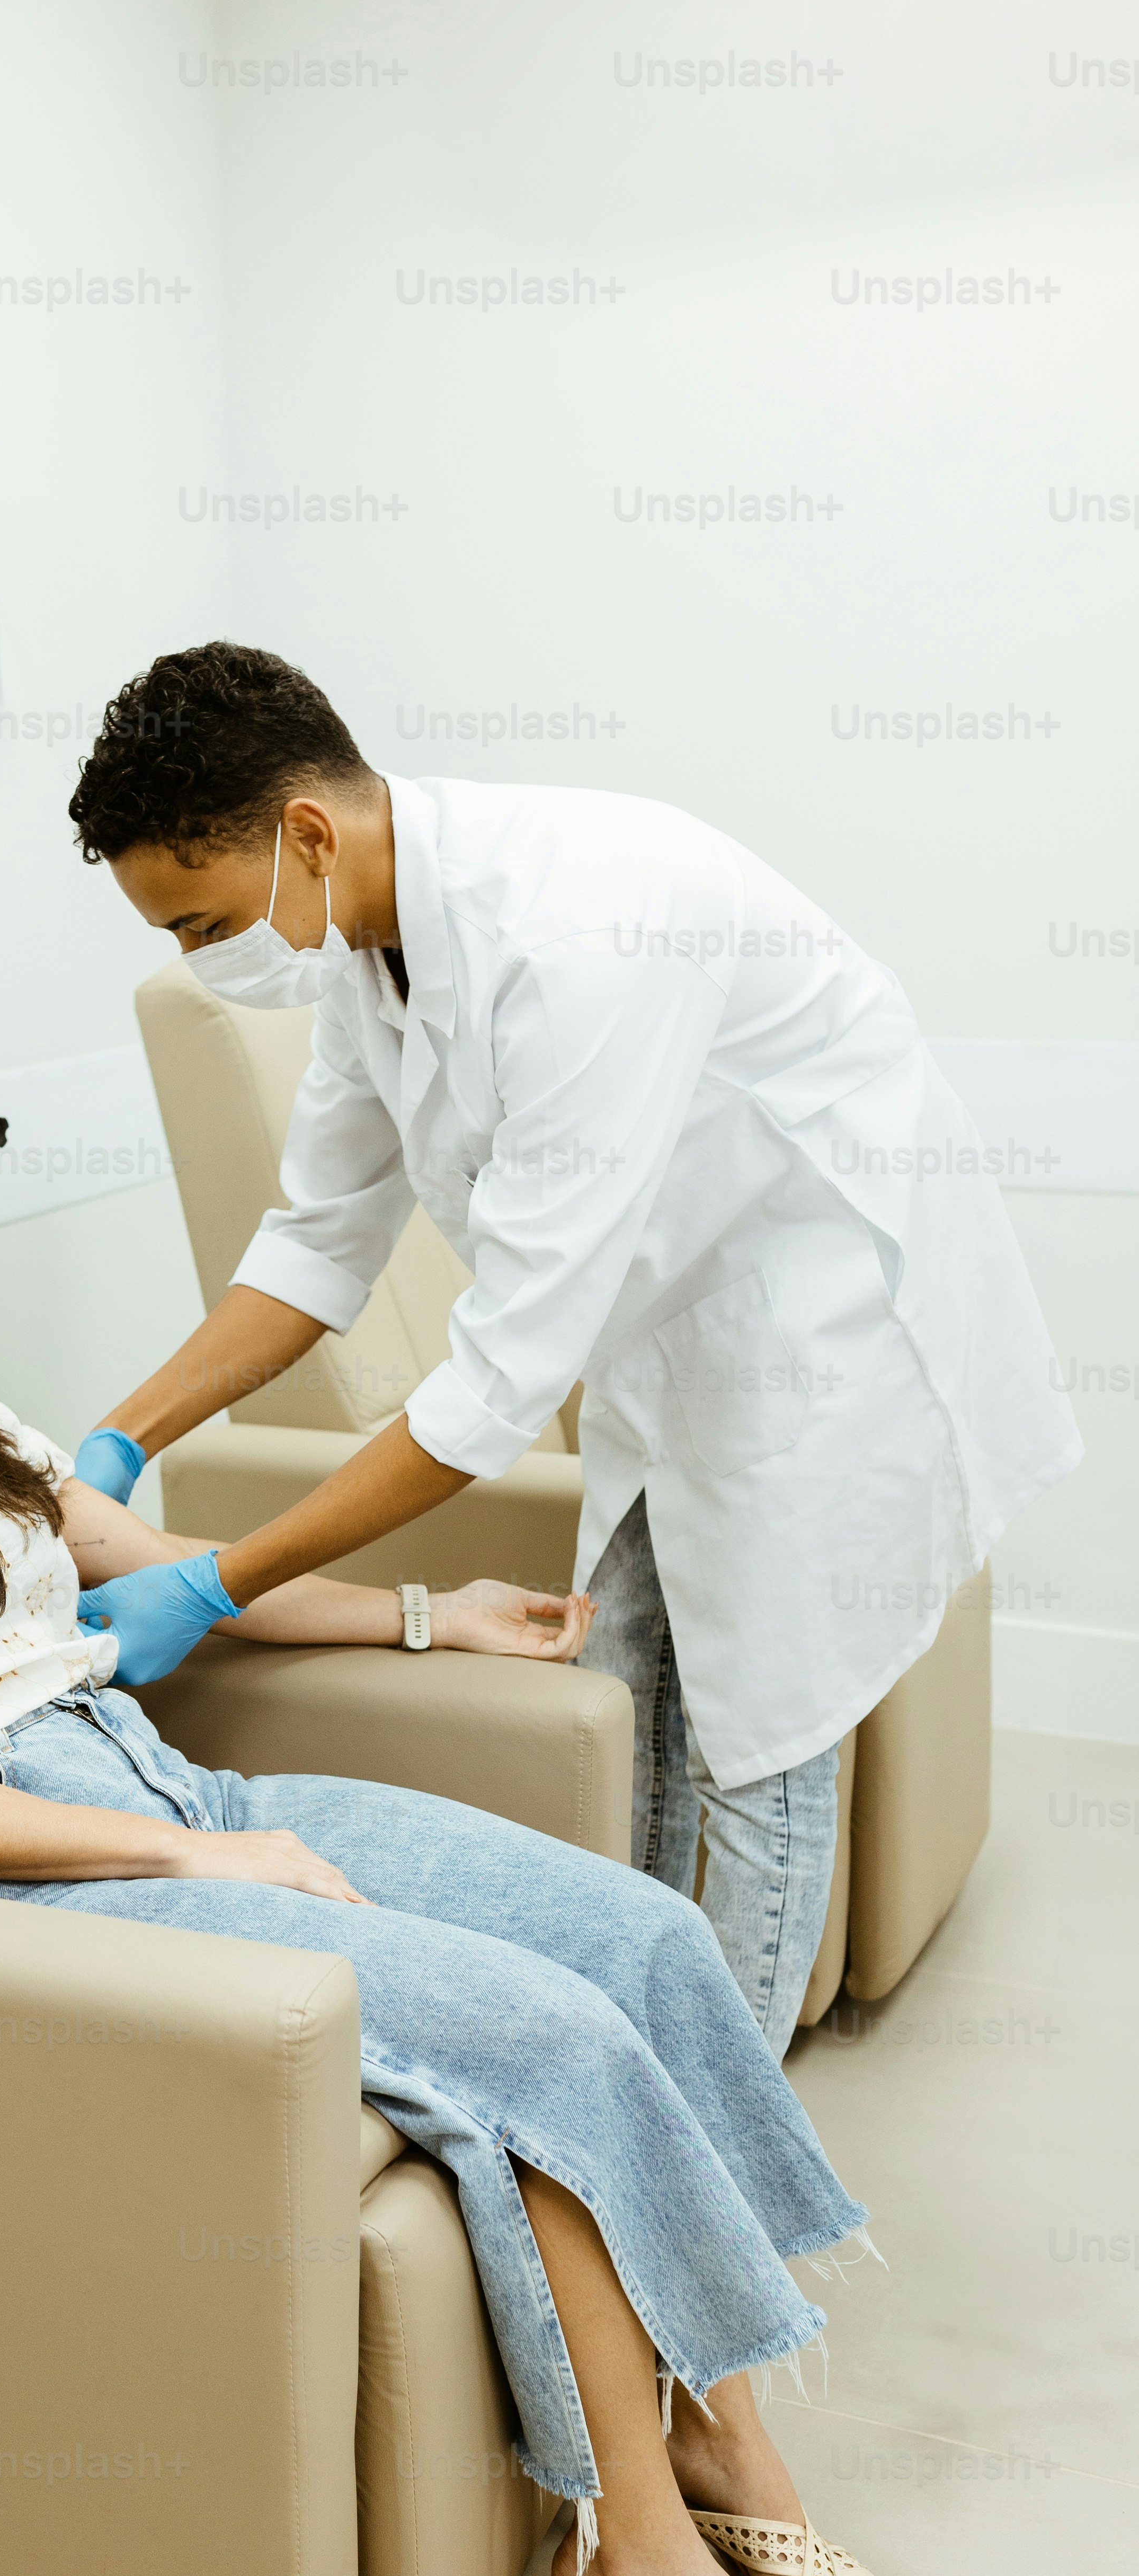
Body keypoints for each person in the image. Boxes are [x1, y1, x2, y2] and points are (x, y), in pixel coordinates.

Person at [0, 1049, 907, 2576]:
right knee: (542, 2041)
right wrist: (197, 1864)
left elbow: (176, 1581)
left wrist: (426, 1620)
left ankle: (726, 2447)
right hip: (18, 1888)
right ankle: (637, 2569)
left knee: (643, 1937)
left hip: (158, 1784)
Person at [62, 642, 1082, 2058]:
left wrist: (216, 1584)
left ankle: (726, 2152)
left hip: (821, 1305)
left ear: (303, 835)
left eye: (199, 919)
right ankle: (651, 2054)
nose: (201, 956)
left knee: (760, 1733)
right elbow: (316, 1249)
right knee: (634, 1671)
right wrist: (114, 1442)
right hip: (672, 1312)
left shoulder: (578, 935)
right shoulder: (368, 949)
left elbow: (491, 1391)